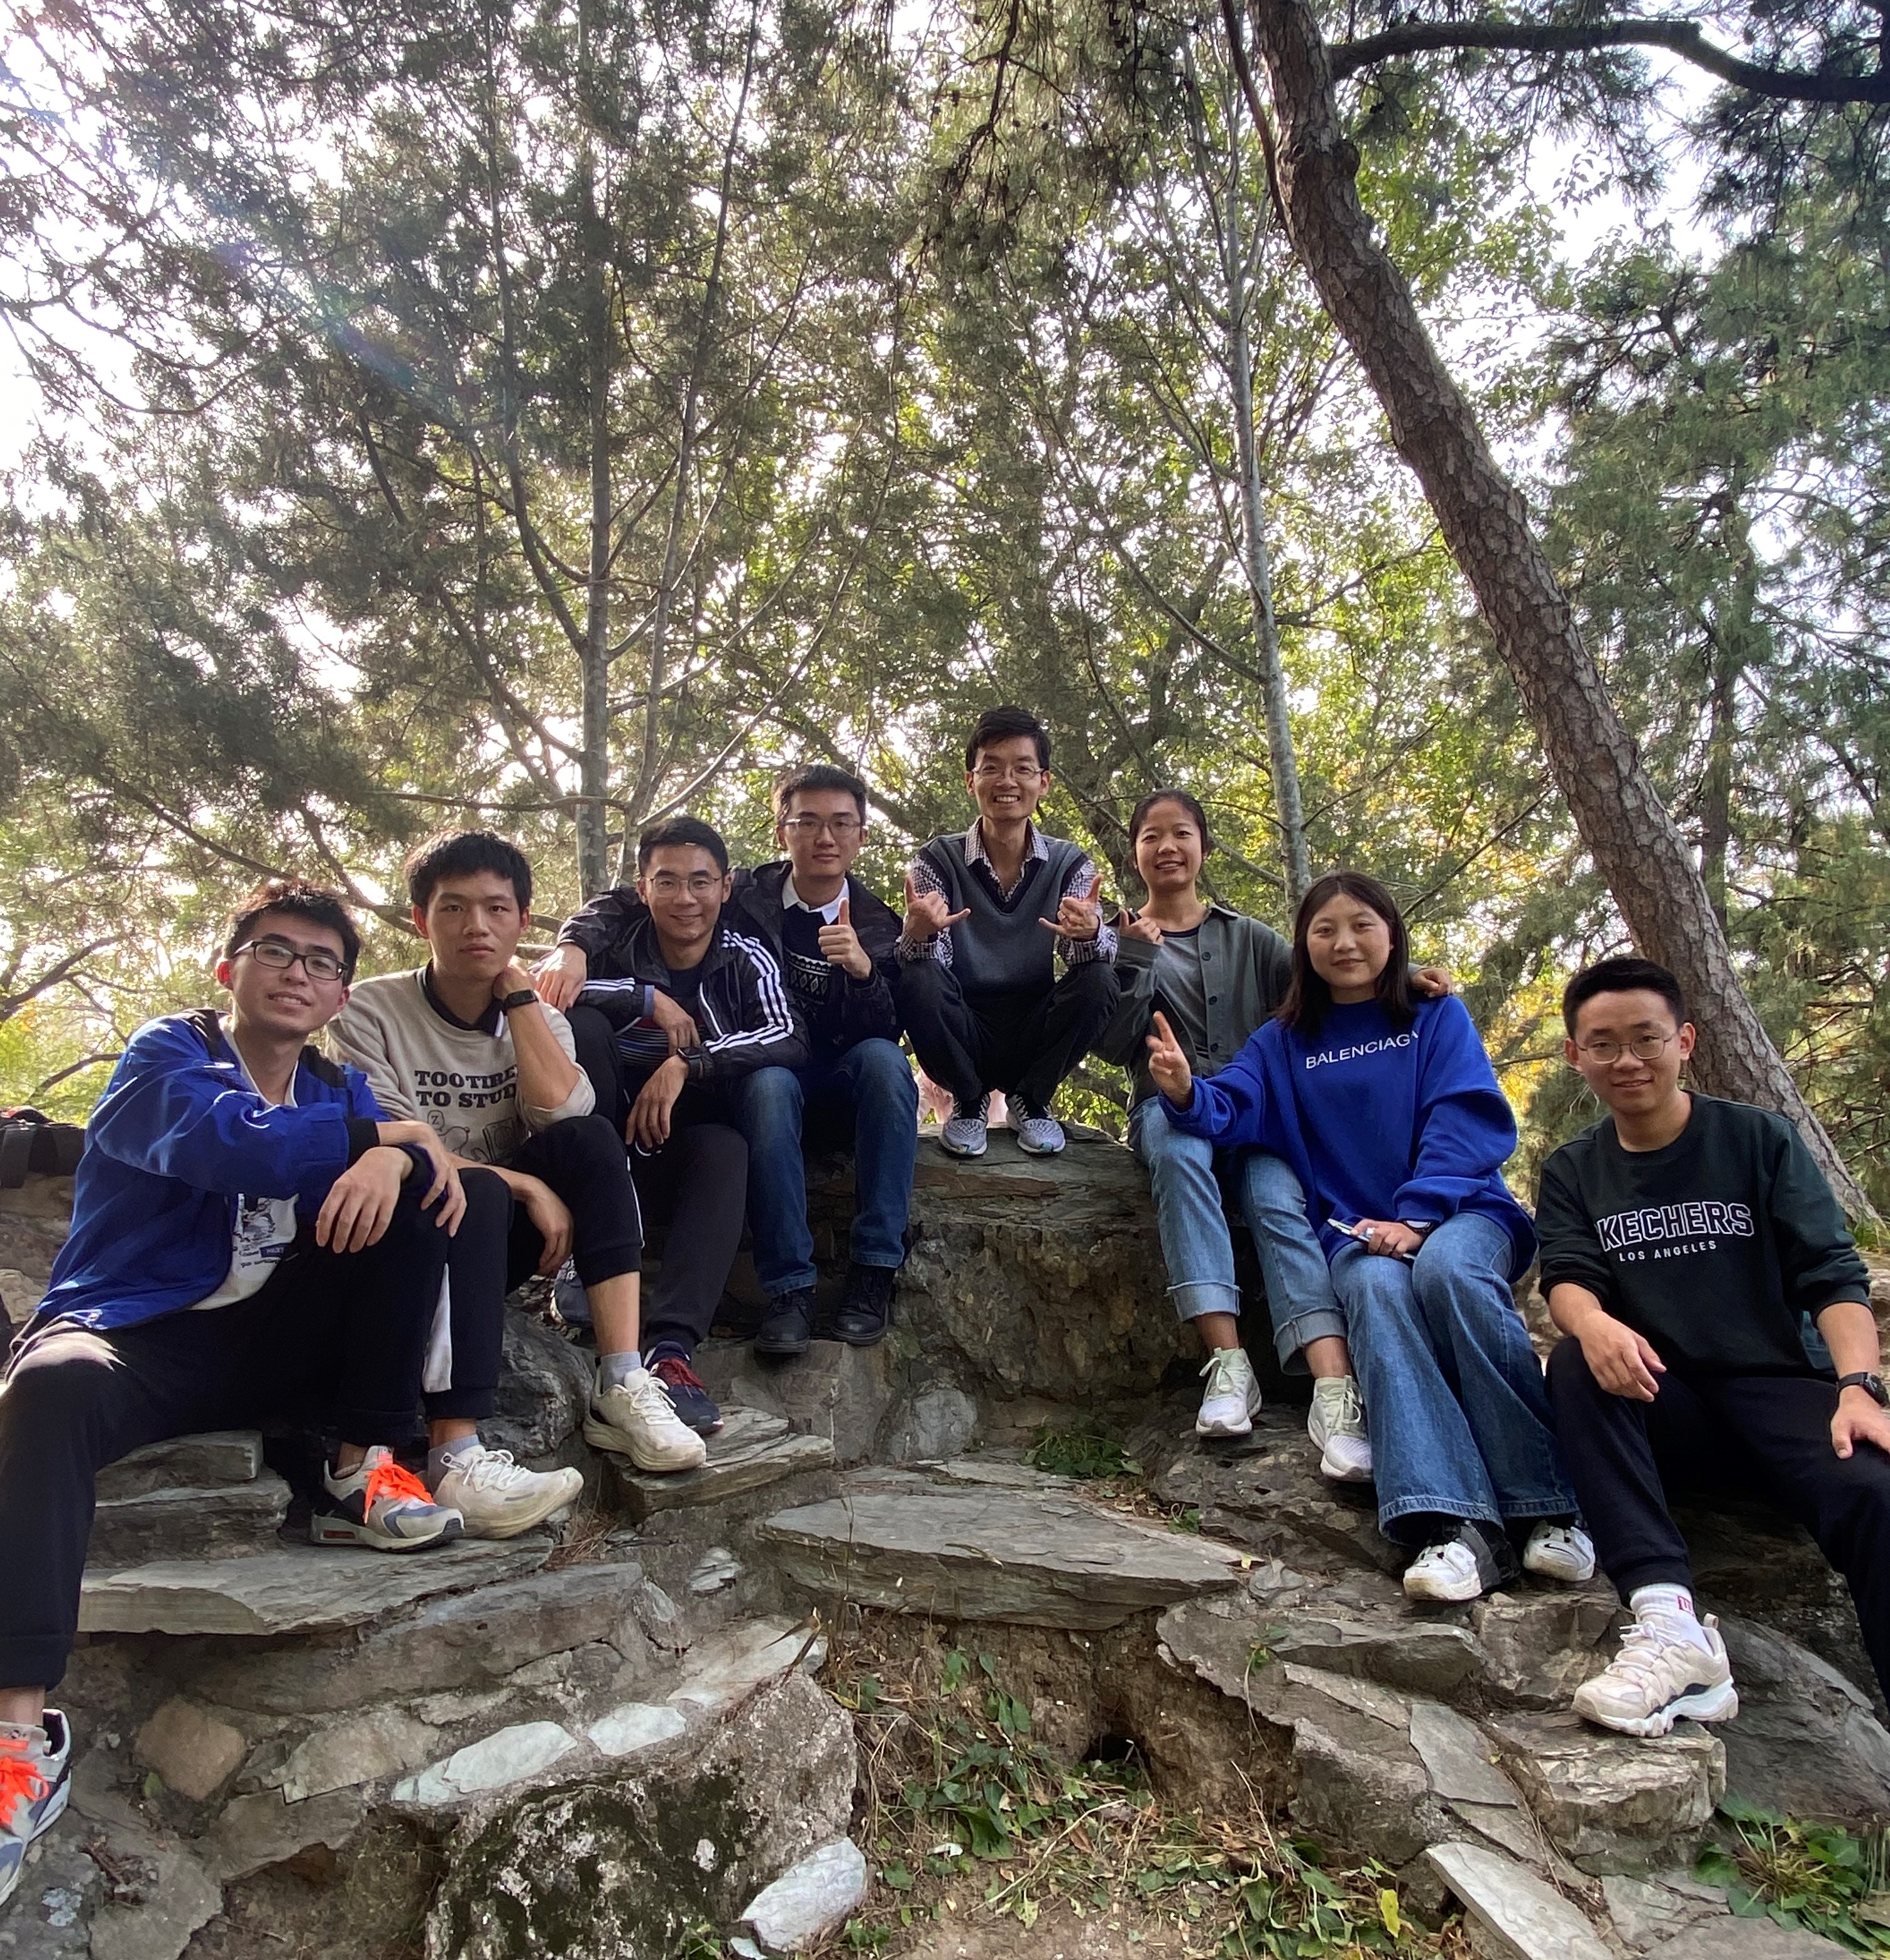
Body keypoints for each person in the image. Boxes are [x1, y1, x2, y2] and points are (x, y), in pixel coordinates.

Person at [0, 881, 471, 1908]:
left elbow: (415, 1173)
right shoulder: (163, 1055)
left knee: (418, 1205)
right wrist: (388, 1143)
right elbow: (227, 1144)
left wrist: (397, 1159)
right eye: (277, 951)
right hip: (141, 1332)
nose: (300, 972)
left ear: (342, 992)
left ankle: (360, 1468)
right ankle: (17, 1734)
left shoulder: (340, 1087)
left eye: (323, 961)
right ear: (230, 969)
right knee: (45, 1390)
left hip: (268, 1343)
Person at [1148, 869, 1593, 1602]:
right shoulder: (1284, 1041)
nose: (1343, 942)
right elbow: (1232, 1105)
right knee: (1374, 1292)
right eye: (1324, 930)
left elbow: (1466, 1116)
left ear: (1392, 935)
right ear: (1303, 946)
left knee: (1447, 1274)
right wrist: (1183, 1089)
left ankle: (1549, 1508)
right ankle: (1450, 1528)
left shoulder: (1433, 1016)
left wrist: (1415, 1217)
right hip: (1359, 1234)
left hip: (1460, 1213)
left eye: (1361, 925)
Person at [1540, 955, 1890, 1735]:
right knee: (1574, 1363)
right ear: (1575, 1055)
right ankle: (1668, 1621)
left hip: (1781, 1392)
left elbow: (1831, 1277)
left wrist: (1859, 1387)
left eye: (1646, 1039)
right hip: (1670, 1403)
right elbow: (1566, 1275)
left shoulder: (1757, 1139)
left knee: (1875, 1495)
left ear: (1685, 1040)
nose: (1627, 1060)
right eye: (1603, 1044)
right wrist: (1592, 1323)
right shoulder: (1573, 1167)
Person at [331, 830, 705, 1478]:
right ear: (421, 920)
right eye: (453, 908)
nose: (476, 925)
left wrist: (520, 999)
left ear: (523, 920)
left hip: (494, 1241)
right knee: (475, 1189)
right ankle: (454, 1450)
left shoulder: (537, 1015)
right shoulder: (368, 1011)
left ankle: (621, 1379)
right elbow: (392, 1146)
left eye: (497, 908)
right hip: (412, 1236)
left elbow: (564, 1116)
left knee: (589, 1140)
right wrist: (523, 1185)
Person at [1099, 791, 1380, 1459]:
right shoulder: (1118, 940)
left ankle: (1334, 1391)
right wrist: (1132, 958)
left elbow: (1329, 986)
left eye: (1182, 833)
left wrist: (1408, 981)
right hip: (1168, 1109)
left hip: (1253, 1115)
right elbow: (1109, 1043)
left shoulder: (1249, 937)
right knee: (1177, 1153)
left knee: (1275, 1194)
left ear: (1204, 846)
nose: (1167, 847)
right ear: (1135, 851)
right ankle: (1229, 1367)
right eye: (1152, 836)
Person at [539, 816, 805, 1433]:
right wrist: (643, 997)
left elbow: (789, 1033)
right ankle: (588, 1246)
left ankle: (672, 1353)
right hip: (603, 1146)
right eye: (668, 882)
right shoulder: (610, 943)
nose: (685, 899)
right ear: (642, 887)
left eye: (700, 882)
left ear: (726, 887)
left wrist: (689, 1061)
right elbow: (542, 993)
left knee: (726, 1148)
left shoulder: (743, 956)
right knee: (581, 1028)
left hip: (684, 1143)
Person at [728, 766, 915, 1353]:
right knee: (770, 1084)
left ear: (860, 836)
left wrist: (862, 973)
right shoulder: (742, 896)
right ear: (782, 831)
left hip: (837, 1089)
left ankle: (873, 1270)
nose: (824, 837)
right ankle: (789, 1288)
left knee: (887, 1062)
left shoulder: (877, 922)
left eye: (841, 824)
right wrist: (576, 946)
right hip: (764, 1084)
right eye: (807, 822)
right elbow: (642, 892)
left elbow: (888, 1029)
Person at [896, 706, 1119, 1159]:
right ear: (970, 780)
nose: (1006, 782)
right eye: (991, 768)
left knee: (1100, 977)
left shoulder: (1069, 862)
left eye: (1022, 768)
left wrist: (1089, 932)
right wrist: (917, 934)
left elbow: (1096, 955)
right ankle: (968, 1101)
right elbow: (927, 964)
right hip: (964, 1023)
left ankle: (1031, 1100)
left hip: (1032, 1025)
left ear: (1044, 782)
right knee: (915, 975)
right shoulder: (936, 860)